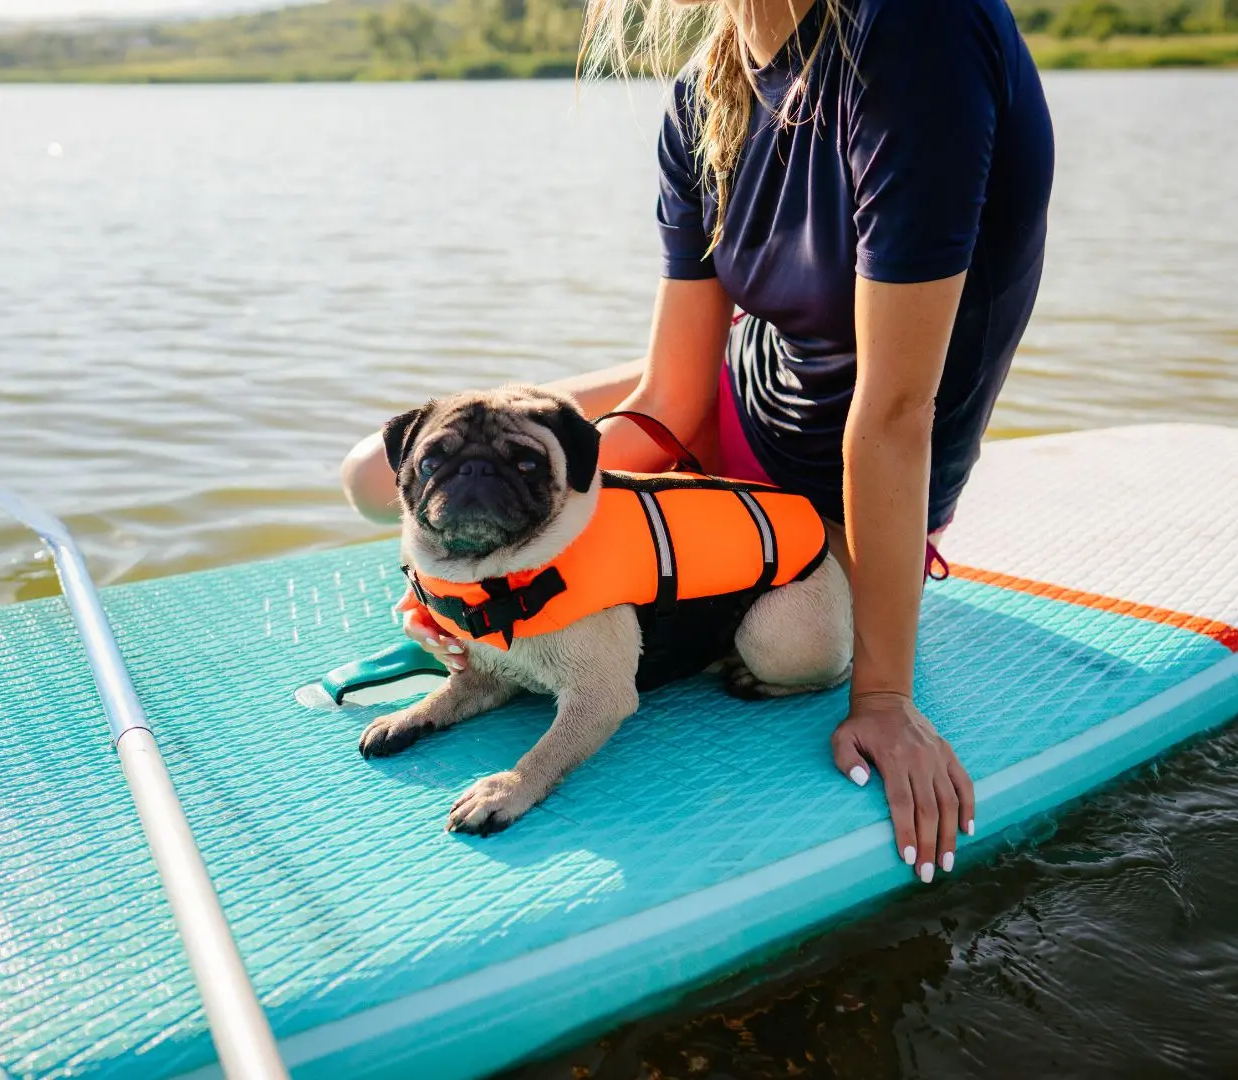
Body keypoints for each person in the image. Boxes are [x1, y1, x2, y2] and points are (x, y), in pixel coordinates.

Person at [339, 0, 1053, 884]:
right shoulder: (700, 95)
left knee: (794, 640)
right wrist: (482, 575)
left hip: (844, 487)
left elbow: (897, 414)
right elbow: (671, 398)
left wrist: (884, 697)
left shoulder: (915, 30)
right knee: (373, 475)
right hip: (735, 404)